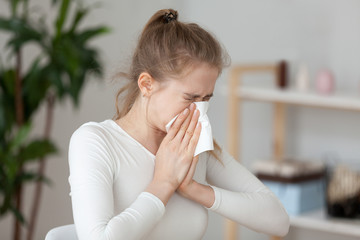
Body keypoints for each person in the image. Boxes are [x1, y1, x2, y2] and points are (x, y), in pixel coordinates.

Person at [68, 8, 290, 240]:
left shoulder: (192, 145)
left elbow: (278, 221)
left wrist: (195, 189)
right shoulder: (95, 142)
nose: (199, 111)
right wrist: (163, 183)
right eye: (190, 98)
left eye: (206, 99)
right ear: (146, 85)